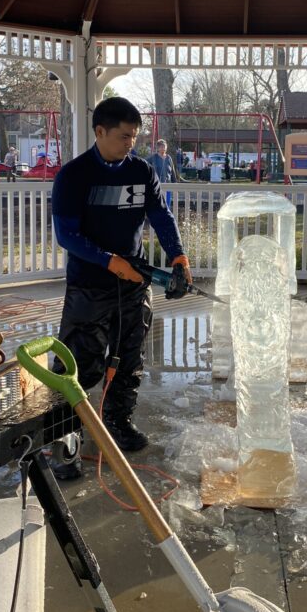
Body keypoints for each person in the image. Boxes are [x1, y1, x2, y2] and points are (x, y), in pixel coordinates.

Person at [51, 96, 190, 478]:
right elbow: (67, 234)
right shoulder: (74, 176)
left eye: (135, 136)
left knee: (128, 360)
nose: (131, 142)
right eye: (124, 136)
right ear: (100, 132)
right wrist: (111, 261)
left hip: (134, 285)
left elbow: (160, 216)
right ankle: (63, 439)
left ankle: (118, 421)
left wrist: (178, 256)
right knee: (78, 365)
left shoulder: (142, 172)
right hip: (89, 286)